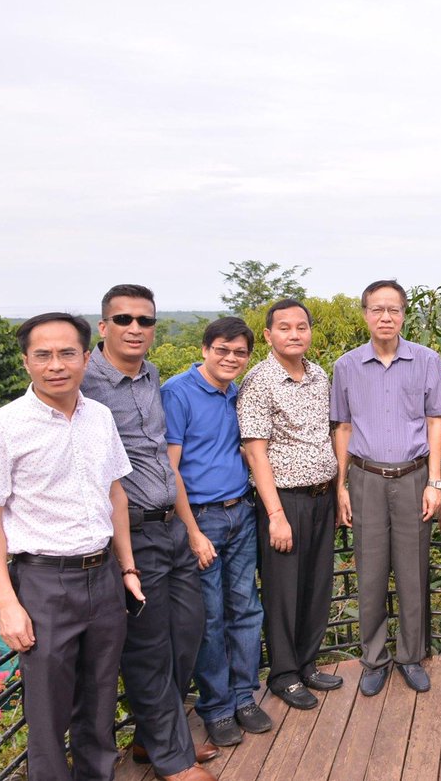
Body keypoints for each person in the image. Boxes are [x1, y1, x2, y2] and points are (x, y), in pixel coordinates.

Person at [0, 312, 143, 781]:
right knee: (47, 717)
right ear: (26, 361)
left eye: (67, 353)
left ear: (87, 357)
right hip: (43, 582)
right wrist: (6, 602)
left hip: (104, 576)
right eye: (42, 354)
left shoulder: (100, 416)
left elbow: (115, 495)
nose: (56, 365)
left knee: (100, 702)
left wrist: (127, 569)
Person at [80, 284, 214, 781]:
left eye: (145, 320)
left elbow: (160, 454)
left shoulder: (150, 375)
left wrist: (189, 527)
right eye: (124, 319)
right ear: (104, 326)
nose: (135, 328)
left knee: (187, 635)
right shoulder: (84, 381)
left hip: (172, 524)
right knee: (149, 645)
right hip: (131, 533)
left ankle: (154, 738)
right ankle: (172, 760)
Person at [331, 280, 441, 697]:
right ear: (365, 314)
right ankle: (374, 657)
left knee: (412, 569)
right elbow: (343, 426)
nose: (386, 317)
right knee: (369, 571)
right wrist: (341, 485)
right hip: (364, 477)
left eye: (394, 310)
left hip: (414, 476)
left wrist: (435, 482)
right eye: (377, 309)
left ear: (404, 315)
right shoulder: (346, 366)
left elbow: (436, 421)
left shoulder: (426, 361)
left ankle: (411, 656)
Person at [162, 317, 271, 748]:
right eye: (222, 350)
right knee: (209, 619)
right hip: (201, 520)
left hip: (240, 512)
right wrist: (191, 531)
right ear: (205, 348)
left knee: (246, 609)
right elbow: (170, 470)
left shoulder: (234, 394)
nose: (231, 359)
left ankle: (244, 696)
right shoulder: (178, 393)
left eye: (239, 353)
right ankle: (217, 707)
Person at [236, 299, 343, 712]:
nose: (294, 334)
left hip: (321, 495)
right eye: (284, 327)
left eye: (301, 327)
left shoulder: (318, 374)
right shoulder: (259, 381)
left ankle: (307, 663)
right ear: (268, 335)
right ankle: (283, 674)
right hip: (284, 500)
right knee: (283, 591)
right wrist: (276, 515)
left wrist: (337, 492)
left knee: (317, 585)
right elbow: (255, 452)